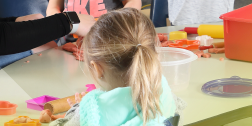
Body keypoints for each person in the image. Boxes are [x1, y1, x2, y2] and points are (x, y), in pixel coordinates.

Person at [48, 8, 180, 126]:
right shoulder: (164, 92)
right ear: (153, 57)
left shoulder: (92, 111)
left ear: (97, 68)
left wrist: (76, 110)